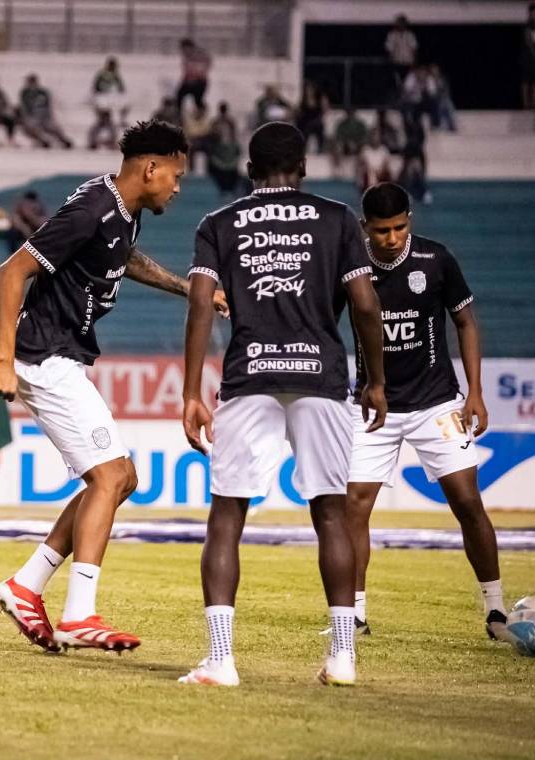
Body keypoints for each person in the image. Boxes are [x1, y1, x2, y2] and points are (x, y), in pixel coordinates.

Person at [0, 120, 228, 654]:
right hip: (43, 356)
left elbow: (123, 259)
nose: (178, 186)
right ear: (150, 168)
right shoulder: (93, 207)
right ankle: (78, 615)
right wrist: (4, 360)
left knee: (121, 479)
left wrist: (185, 288)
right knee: (110, 476)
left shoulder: (122, 212)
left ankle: (27, 584)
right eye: (175, 174)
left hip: (61, 356)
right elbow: (11, 272)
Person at [180, 121, 387, 688]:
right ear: (303, 169)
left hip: (249, 377)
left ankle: (221, 661)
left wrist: (191, 391)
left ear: (248, 171)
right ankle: (343, 656)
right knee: (330, 513)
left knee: (228, 515)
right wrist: (376, 381)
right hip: (320, 374)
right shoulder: (339, 218)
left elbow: (200, 304)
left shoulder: (218, 223)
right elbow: (366, 306)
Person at [345, 182, 510, 643]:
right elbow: (326, 319)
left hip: (437, 402)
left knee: (466, 501)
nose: (392, 238)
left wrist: (474, 393)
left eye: (399, 227)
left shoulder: (436, 260)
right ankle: (353, 617)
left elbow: (465, 322)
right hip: (373, 406)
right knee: (353, 507)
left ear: (409, 222)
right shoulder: (352, 266)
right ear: (366, 228)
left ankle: (496, 611)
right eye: (381, 231)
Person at [19, 74, 73, 149]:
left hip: (44, 115)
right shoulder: (25, 92)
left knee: (53, 128)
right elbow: (24, 107)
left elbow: (48, 105)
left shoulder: (43, 92)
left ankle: (63, 140)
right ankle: (42, 141)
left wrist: (50, 116)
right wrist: (26, 117)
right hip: (32, 116)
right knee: (31, 127)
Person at [89, 57, 129, 150]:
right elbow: (121, 88)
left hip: (104, 103)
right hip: (104, 103)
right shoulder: (111, 75)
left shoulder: (104, 74)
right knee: (106, 123)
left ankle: (94, 140)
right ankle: (105, 141)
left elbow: (95, 88)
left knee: (103, 122)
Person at [206, 116, 241, 198]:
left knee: (233, 173)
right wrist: (221, 164)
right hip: (219, 167)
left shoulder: (235, 144)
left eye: (226, 129)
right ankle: (222, 191)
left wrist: (231, 164)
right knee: (220, 173)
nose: (225, 131)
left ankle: (231, 191)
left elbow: (237, 156)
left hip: (231, 166)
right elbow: (212, 157)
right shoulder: (214, 143)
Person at [176, 38, 211, 113]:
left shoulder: (199, 54)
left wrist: (196, 76)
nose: (183, 52)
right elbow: (186, 71)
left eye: (184, 49)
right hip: (189, 81)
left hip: (199, 81)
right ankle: (178, 115)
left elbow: (205, 65)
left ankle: (202, 113)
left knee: (197, 99)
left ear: (189, 47)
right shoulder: (186, 56)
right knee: (179, 96)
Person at [295, 80, 329, 154]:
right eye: (307, 89)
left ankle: (321, 148)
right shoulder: (304, 99)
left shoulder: (319, 98)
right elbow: (299, 110)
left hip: (316, 119)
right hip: (305, 119)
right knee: (301, 125)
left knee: (317, 126)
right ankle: (302, 148)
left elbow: (324, 110)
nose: (309, 91)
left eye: (310, 89)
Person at [385, 14, 418, 86]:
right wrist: (391, 61)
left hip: (408, 62)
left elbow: (414, 48)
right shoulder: (392, 34)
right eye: (399, 23)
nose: (401, 25)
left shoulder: (410, 34)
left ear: (406, 24)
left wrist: (414, 62)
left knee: (408, 81)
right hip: (396, 62)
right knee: (396, 82)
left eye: (402, 23)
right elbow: (389, 49)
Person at [183, 102, 212, 174]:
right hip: (192, 141)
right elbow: (188, 132)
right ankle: (190, 169)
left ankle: (210, 169)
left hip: (203, 141)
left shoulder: (206, 120)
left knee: (210, 147)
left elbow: (207, 131)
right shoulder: (190, 120)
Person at [523, 3, 535, 110]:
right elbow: (528, 42)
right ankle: (527, 104)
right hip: (528, 59)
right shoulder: (527, 27)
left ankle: (533, 103)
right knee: (527, 81)